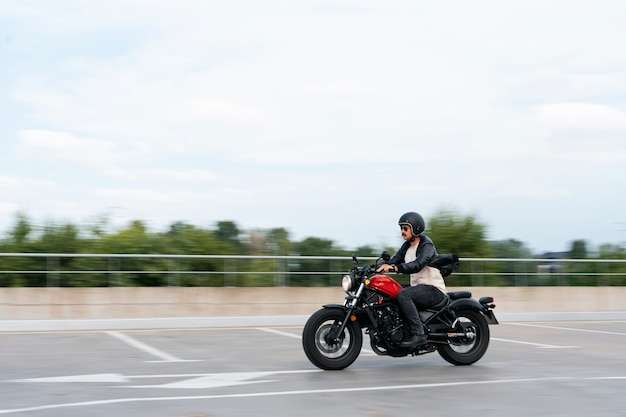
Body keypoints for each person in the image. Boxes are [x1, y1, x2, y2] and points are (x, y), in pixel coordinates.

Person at [376, 211, 448, 348]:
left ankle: (419, 333)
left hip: (433, 289)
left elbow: (418, 264)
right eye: (401, 228)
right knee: (391, 292)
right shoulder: (407, 246)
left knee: (403, 294)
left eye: (405, 228)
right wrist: (371, 268)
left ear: (415, 228)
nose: (402, 232)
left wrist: (395, 269)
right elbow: (393, 261)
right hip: (419, 288)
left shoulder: (426, 245)